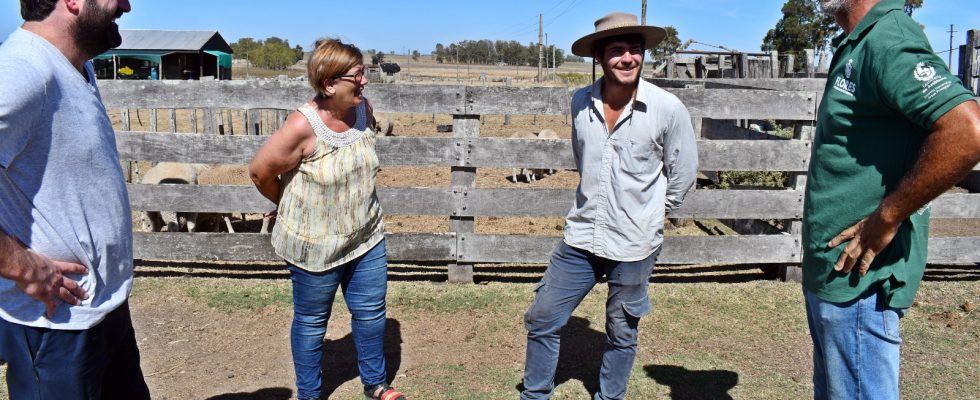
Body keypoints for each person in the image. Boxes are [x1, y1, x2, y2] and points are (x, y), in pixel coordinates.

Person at [803, 1, 980, 398]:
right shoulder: (858, 41)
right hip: (833, 276)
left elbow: (967, 131)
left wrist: (888, 215)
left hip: (861, 283)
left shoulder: (889, 39)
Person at [520, 12, 698, 400]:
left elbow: (683, 173)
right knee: (543, 316)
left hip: (634, 245)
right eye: (617, 50)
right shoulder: (580, 102)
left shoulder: (667, 108)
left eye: (635, 50)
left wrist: (650, 212)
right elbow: (583, 158)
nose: (628, 58)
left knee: (622, 331)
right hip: (581, 236)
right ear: (599, 57)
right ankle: (534, 395)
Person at [0, 0, 151, 399]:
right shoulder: (21, 70)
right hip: (54, 325)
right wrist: (17, 263)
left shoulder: (74, 66)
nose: (126, 5)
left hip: (102, 309)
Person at [249, 38, 407, 400]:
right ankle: (310, 394)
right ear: (329, 84)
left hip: (366, 236)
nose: (364, 81)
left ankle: (376, 384)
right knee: (311, 323)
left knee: (371, 313)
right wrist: (289, 204)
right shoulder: (301, 127)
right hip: (314, 246)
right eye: (357, 75)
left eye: (364, 72)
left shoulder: (364, 110)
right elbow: (260, 173)